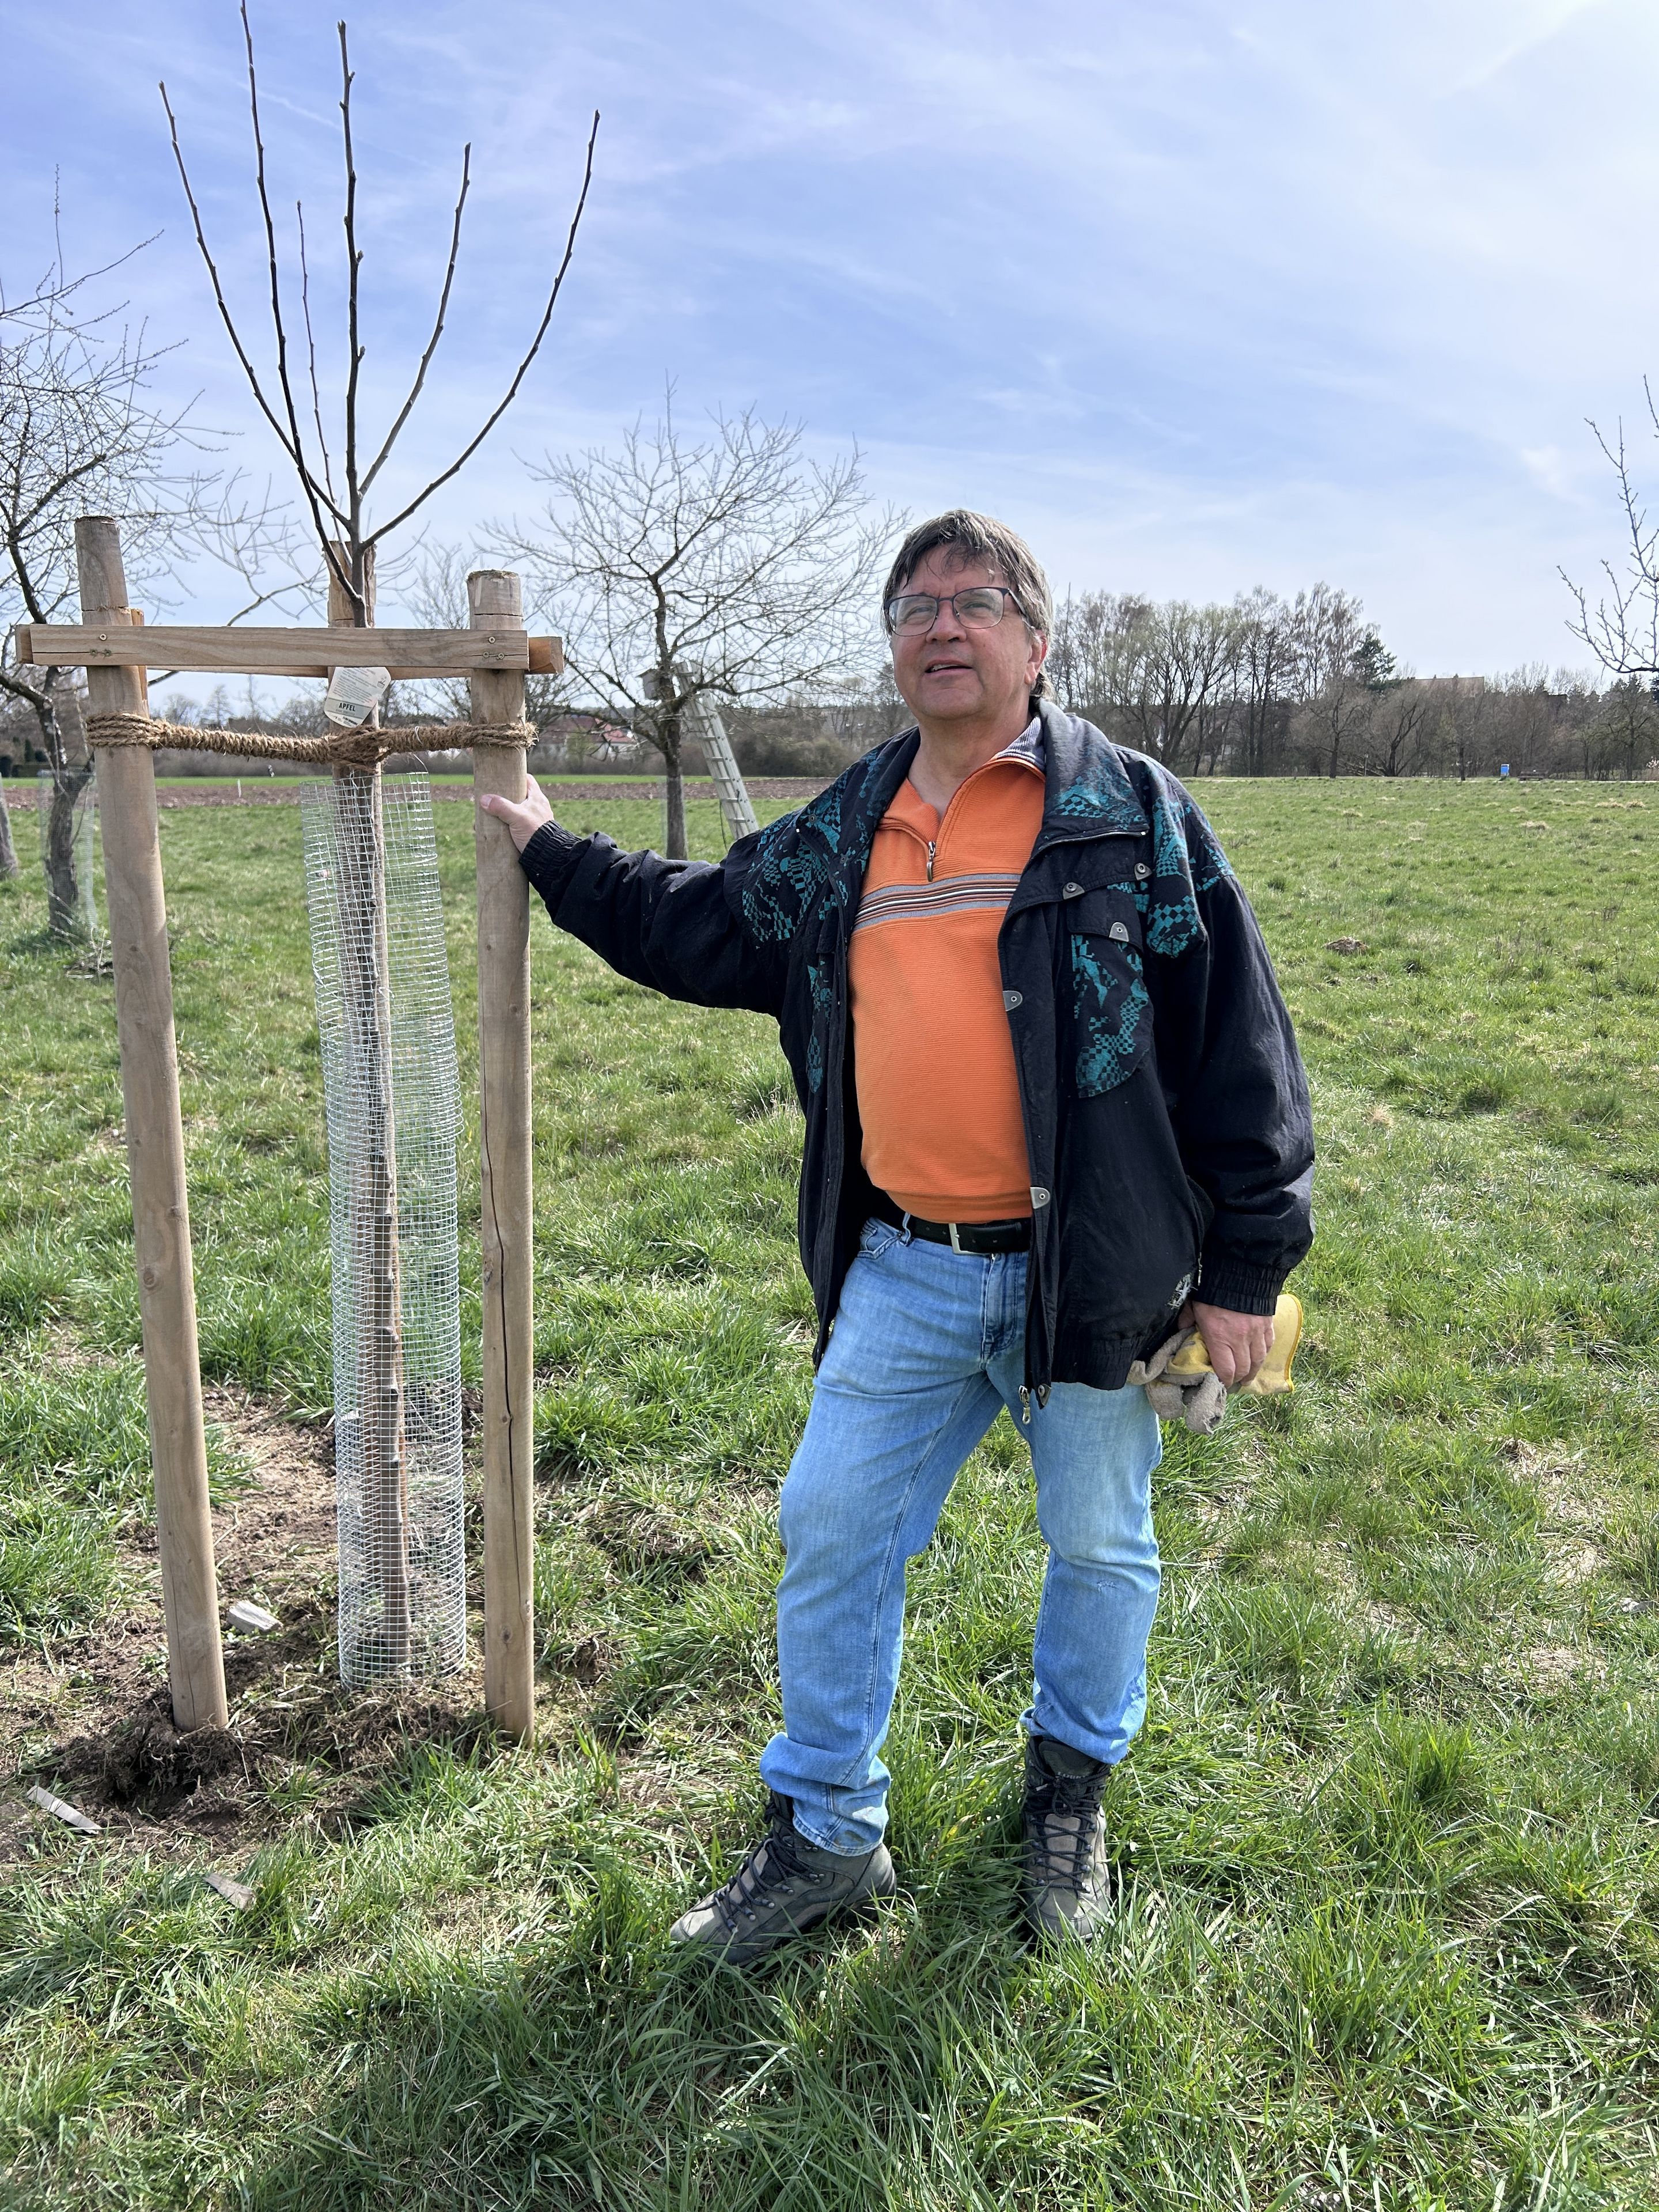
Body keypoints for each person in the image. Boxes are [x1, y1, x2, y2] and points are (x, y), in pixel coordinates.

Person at [481, 510, 1313, 1963]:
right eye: (914, 603)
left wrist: (1245, 1270)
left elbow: (1239, 1044)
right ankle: (824, 1832)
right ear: (892, 644)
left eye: (976, 600)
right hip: (909, 1265)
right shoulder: (855, 822)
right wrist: (556, 852)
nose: (942, 624)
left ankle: (1069, 1790)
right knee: (833, 1527)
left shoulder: (1131, 815)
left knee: (1100, 1546)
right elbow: (707, 922)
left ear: (1036, 642)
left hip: (1095, 1280)